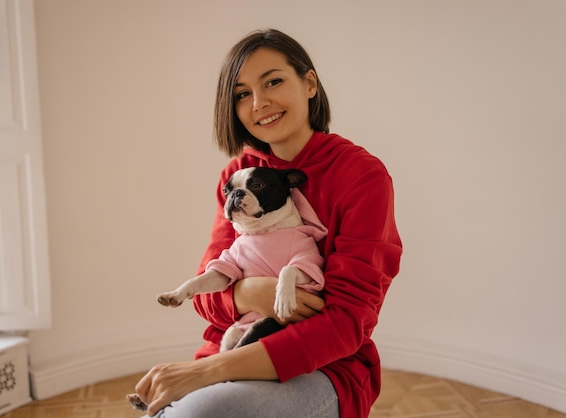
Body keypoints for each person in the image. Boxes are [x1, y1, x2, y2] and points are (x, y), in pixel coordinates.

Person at [135, 28, 402, 418]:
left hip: (322, 366)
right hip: (231, 347)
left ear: (309, 83)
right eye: (242, 94)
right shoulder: (238, 174)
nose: (259, 103)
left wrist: (202, 373)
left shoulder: (361, 175)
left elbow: (345, 324)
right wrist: (250, 294)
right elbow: (207, 300)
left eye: (273, 81)